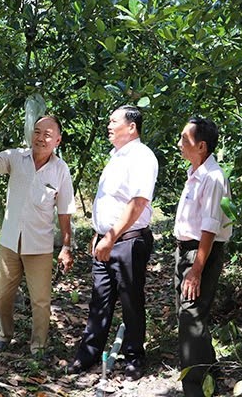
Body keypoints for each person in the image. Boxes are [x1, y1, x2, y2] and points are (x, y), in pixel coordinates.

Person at [0, 115, 75, 356]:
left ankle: (38, 346)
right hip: (9, 243)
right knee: (2, 295)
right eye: (37, 132)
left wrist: (66, 246)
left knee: (40, 301)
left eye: (48, 134)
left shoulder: (60, 170)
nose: (41, 138)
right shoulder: (15, 157)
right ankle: (5, 334)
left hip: (40, 246)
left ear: (57, 140)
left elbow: (65, 210)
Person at [68, 105, 158, 380]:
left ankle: (134, 357)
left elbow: (139, 202)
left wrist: (110, 237)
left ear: (131, 127)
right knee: (100, 299)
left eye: (113, 121)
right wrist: (99, 235)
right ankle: (89, 353)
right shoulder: (115, 157)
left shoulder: (142, 156)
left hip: (127, 242)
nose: (108, 125)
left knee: (131, 300)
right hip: (106, 241)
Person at [174, 117, 232, 396]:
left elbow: (210, 228)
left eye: (185, 139)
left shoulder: (213, 177)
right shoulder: (195, 172)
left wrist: (197, 269)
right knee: (188, 312)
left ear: (202, 146)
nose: (180, 144)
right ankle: (209, 366)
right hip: (187, 249)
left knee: (191, 315)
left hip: (201, 251)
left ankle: (194, 386)